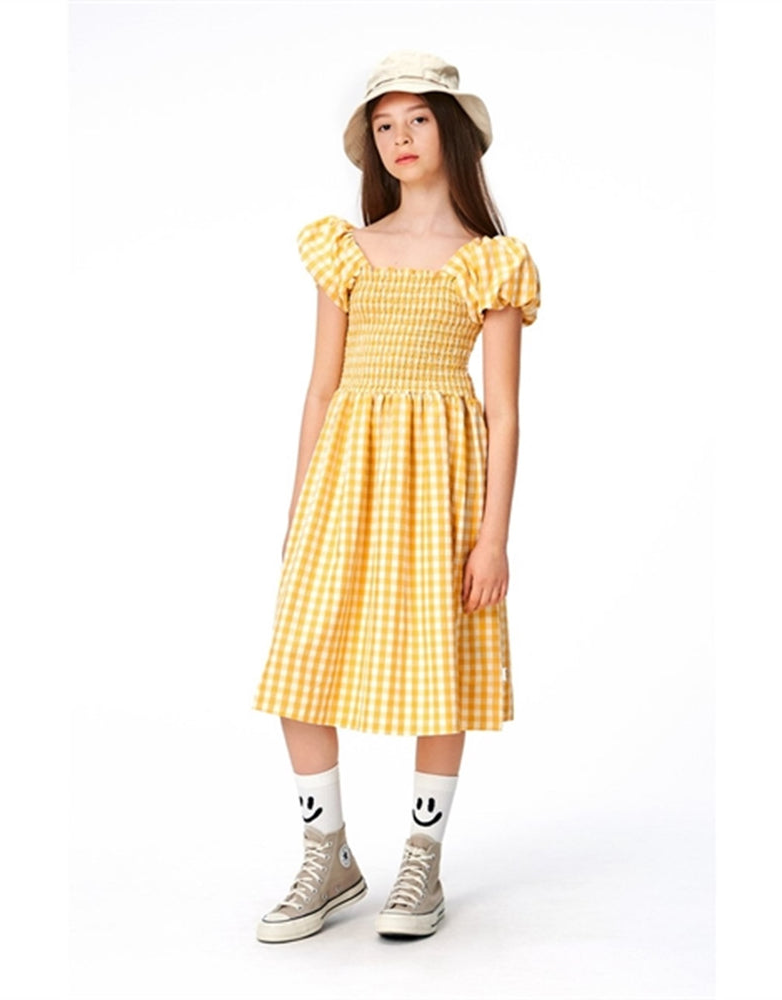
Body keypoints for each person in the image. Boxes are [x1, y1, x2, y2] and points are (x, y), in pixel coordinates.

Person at [252, 50, 541, 943]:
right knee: (302, 658)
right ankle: (328, 853)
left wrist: (493, 537)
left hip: (442, 480)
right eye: (383, 125)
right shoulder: (346, 247)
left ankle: (424, 859)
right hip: (347, 473)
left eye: (416, 119)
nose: (399, 137)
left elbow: (504, 412)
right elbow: (319, 388)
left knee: (438, 665)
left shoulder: (490, 261)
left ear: (450, 131)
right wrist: (299, 509)